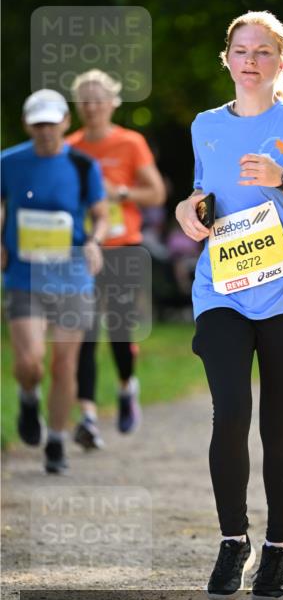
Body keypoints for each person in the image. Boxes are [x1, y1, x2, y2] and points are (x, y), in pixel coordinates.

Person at [175, 11, 283, 600]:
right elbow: (203, 195)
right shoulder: (205, 125)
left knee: (278, 427)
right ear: (227, 59)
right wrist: (187, 211)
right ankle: (232, 540)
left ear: (282, 60)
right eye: (241, 51)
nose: (251, 61)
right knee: (229, 414)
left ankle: (278, 546)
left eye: (263, 51)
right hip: (221, 287)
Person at [1, 90, 107, 474]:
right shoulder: (9, 162)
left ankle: (57, 441)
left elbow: (100, 213)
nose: (45, 130)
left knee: (64, 365)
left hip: (72, 275)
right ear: (28, 125)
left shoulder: (83, 164)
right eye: (38, 124)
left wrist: (95, 241)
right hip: (24, 274)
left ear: (65, 122)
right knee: (30, 361)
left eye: (51, 123)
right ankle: (28, 396)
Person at [67, 70, 166, 445]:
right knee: (84, 333)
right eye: (85, 100)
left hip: (123, 245)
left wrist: (120, 192)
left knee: (120, 332)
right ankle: (88, 417)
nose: (91, 107)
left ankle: (127, 387)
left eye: (98, 99)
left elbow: (156, 194)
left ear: (112, 103)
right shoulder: (69, 147)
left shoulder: (130, 143)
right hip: (82, 248)